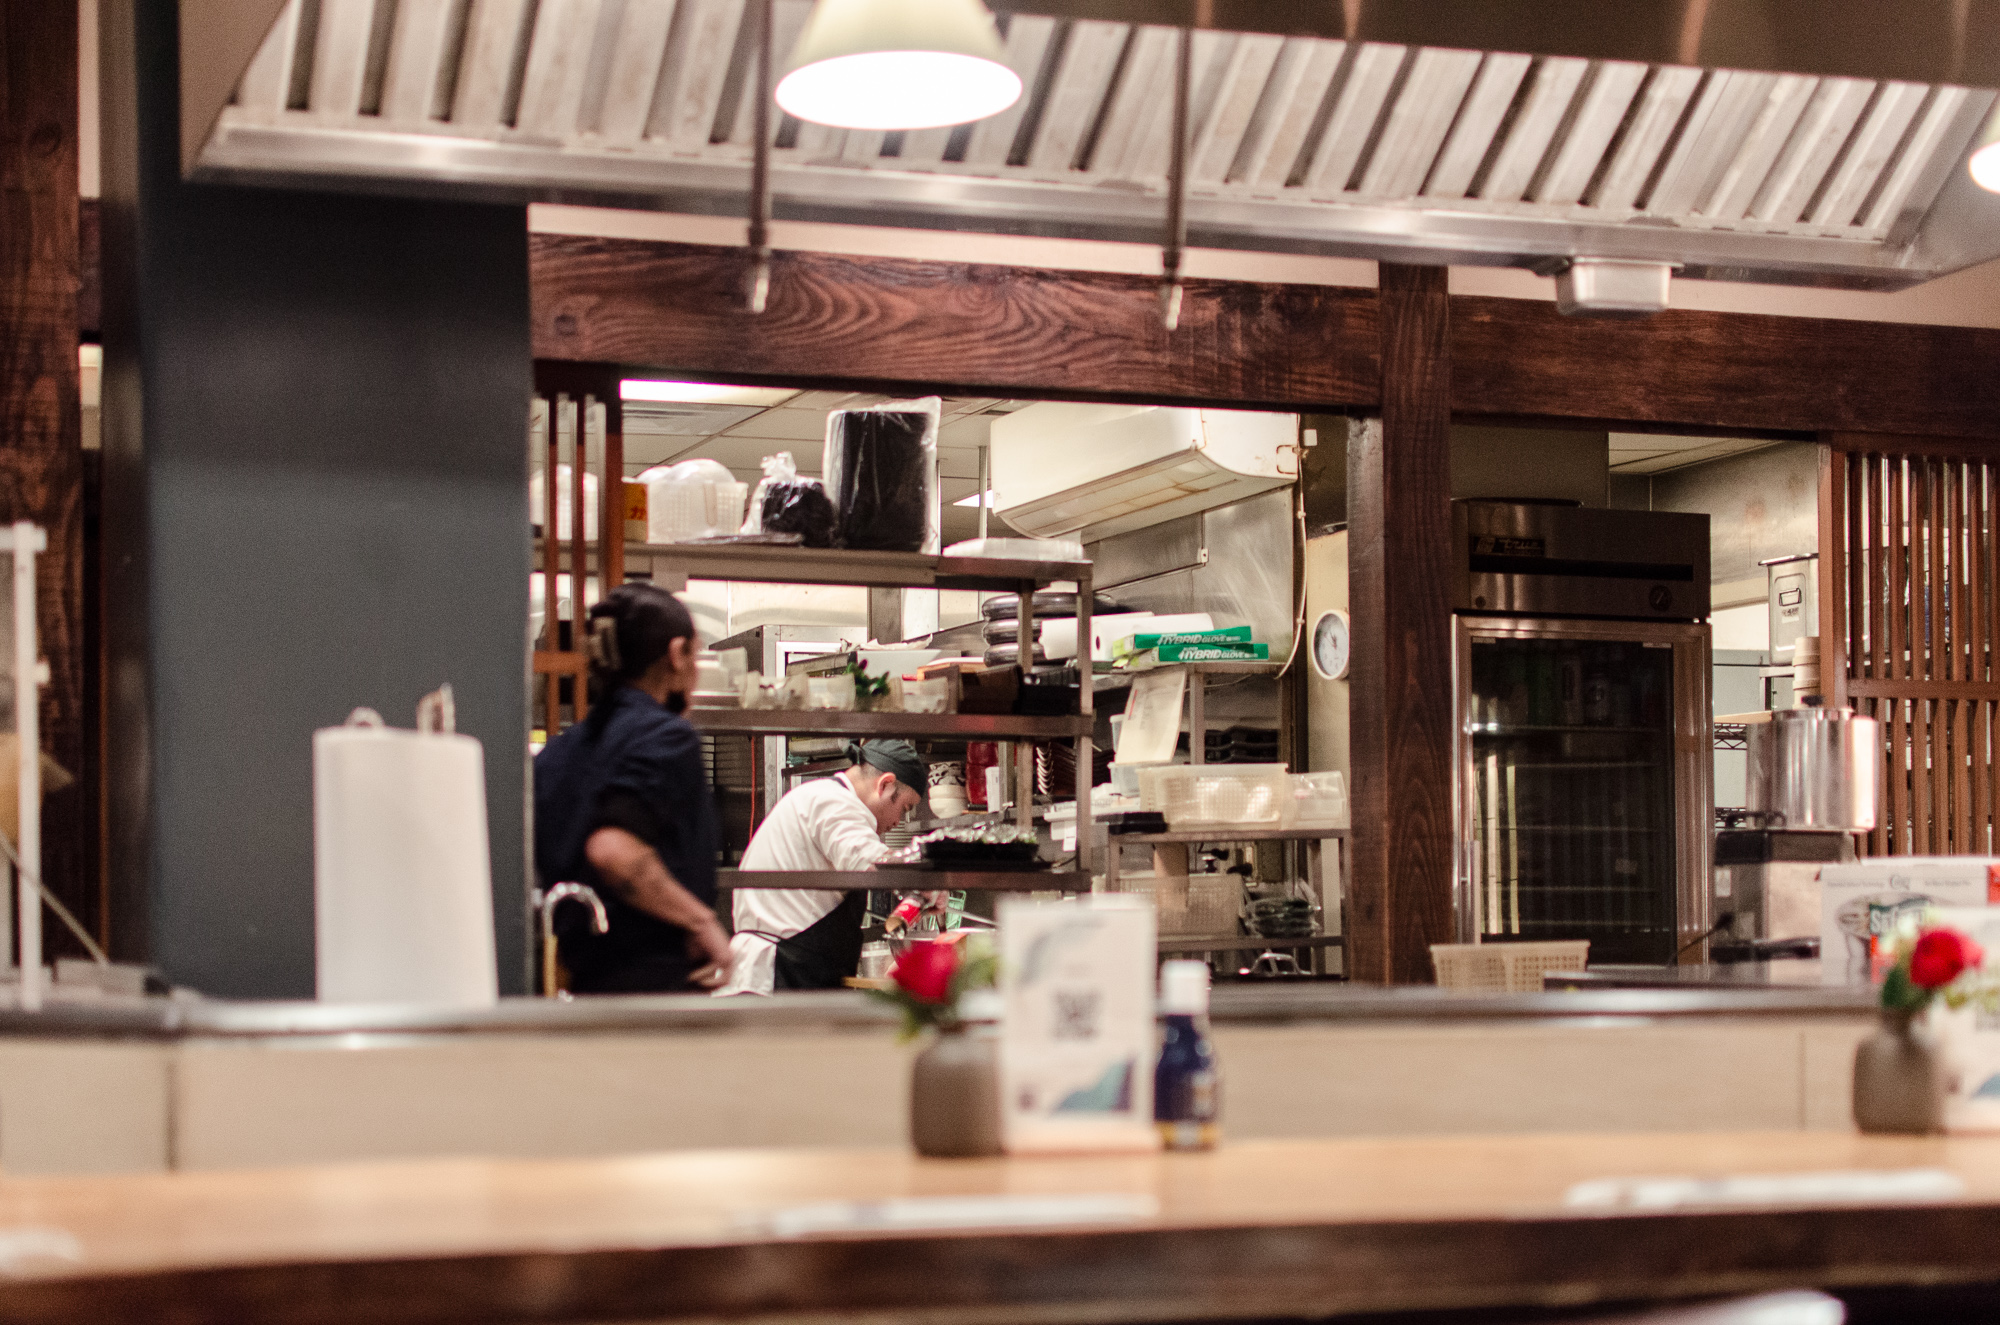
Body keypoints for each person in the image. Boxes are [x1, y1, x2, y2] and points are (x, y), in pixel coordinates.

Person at [534, 584, 734, 993]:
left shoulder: (557, 753)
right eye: (694, 655)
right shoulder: (665, 736)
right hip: (652, 992)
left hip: (581, 984)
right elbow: (614, 853)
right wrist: (701, 920)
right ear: (677, 654)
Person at [717, 740, 926, 995]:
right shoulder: (835, 802)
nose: (898, 822)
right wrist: (927, 880)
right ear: (885, 784)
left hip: (787, 970)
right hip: (777, 975)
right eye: (903, 808)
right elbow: (872, 864)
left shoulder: (822, 796)